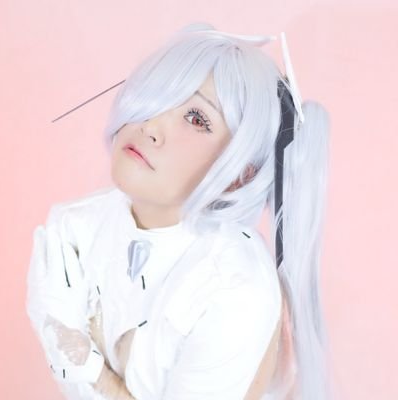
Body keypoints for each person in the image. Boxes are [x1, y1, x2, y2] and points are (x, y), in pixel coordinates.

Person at [26, 22, 333, 400]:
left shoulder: (236, 288)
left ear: (239, 173)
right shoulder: (72, 228)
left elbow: (71, 357)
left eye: (197, 118)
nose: (151, 124)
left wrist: (94, 371)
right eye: (157, 94)